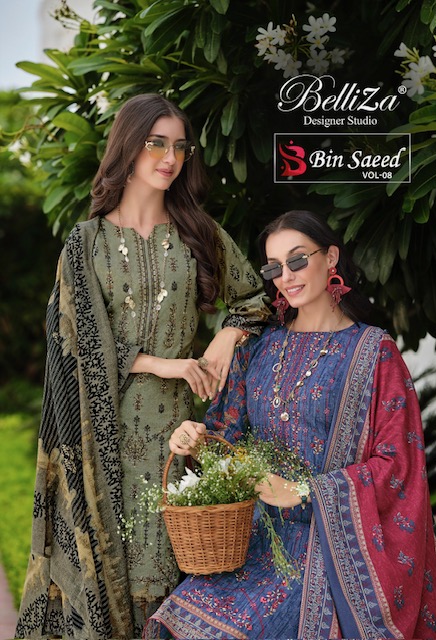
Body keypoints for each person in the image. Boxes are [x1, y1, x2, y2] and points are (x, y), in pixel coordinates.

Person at [15, 93, 271, 640]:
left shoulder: (197, 232)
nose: (170, 158)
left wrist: (226, 336)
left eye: (180, 147)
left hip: (177, 433)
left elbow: (254, 300)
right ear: (128, 147)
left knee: (174, 566)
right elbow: (70, 343)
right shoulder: (86, 244)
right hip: (102, 434)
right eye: (157, 144)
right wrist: (165, 364)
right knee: (111, 571)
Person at [145, 209, 436, 640]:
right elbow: (228, 442)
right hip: (253, 541)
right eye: (274, 267)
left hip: (330, 548)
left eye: (298, 259)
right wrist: (196, 441)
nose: (286, 276)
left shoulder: (374, 353)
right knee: (174, 622)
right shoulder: (258, 347)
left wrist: (306, 492)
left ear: (331, 258)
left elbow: (398, 466)